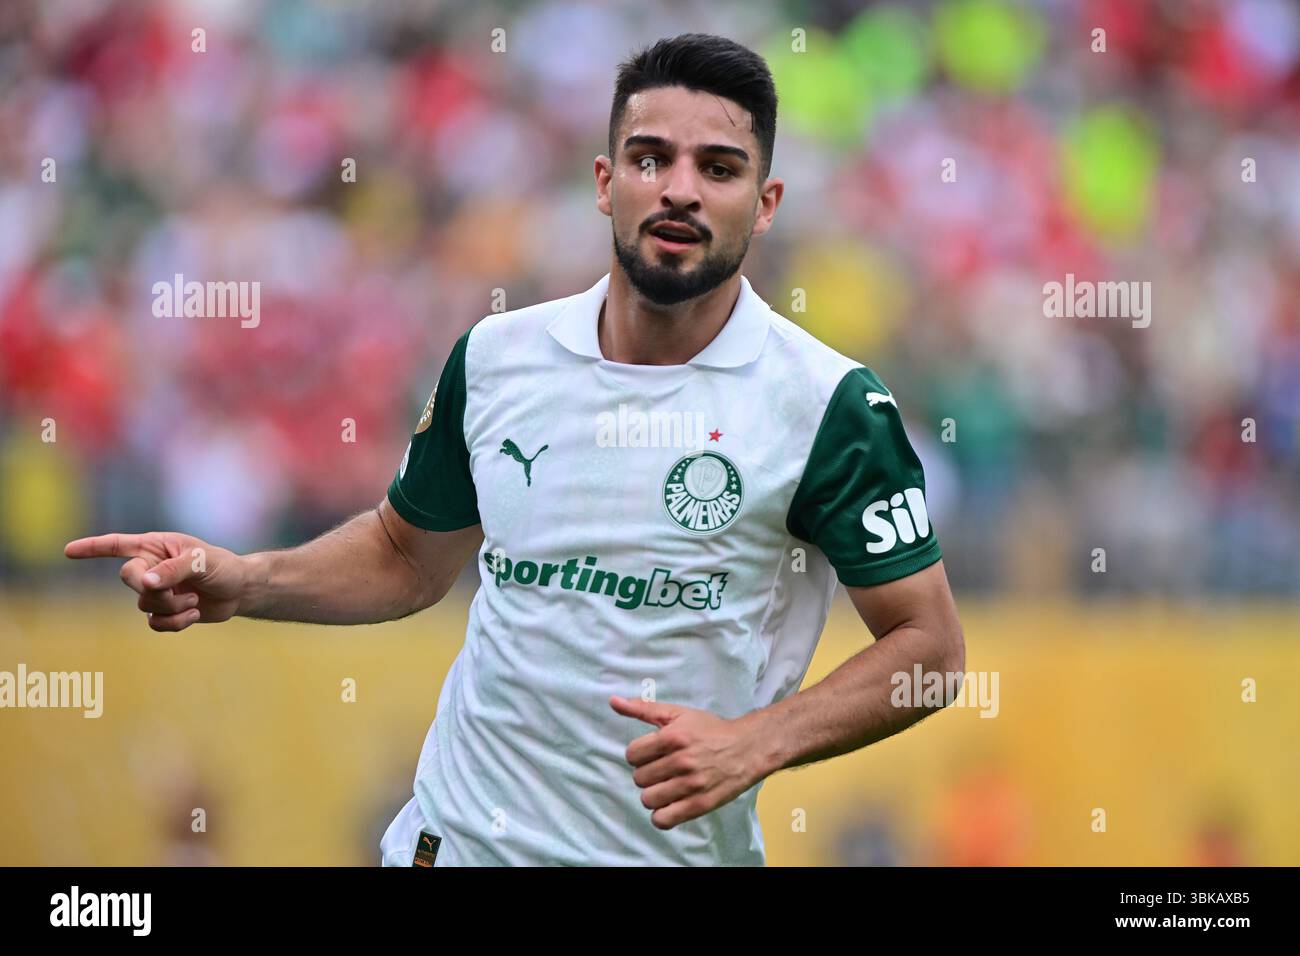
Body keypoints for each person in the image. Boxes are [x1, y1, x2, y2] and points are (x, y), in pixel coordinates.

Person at [65, 33, 964, 866]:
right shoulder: (499, 358)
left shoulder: (829, 405)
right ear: (607, 182)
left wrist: (757, 741)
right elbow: (405, 555)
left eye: (718, 168)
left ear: (765, 204)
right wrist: (247, 580)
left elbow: (931, 648)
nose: (679, 188)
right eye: (652, 159)